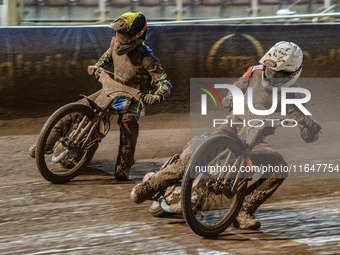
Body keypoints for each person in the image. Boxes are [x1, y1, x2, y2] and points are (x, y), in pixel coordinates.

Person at [130, 41, 321, 230]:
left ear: (292, 74)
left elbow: (307, 133)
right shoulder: (254, 71)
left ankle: (243, 210)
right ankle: (148, 188)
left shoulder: (295, 95)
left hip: (256, 139)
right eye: (269, 70)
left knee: (279, 169)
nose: (271, 75)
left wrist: (309, 127)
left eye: (278, 74)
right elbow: (236, 88)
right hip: (233, 126)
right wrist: (230, 98)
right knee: (191, 159)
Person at [29, 11, 172, 181]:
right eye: (118, 33)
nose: (119, 38)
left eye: (124, 35)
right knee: (78, 108)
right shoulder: (114, 44)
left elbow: (165, 83)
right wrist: (97, 67)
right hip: (112, 87)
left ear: (137, 36)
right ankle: (44, 145)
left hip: (133, 97)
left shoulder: (147, 58)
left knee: (128, 124)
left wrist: (156, 96)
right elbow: (104, 60)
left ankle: (123, 166)